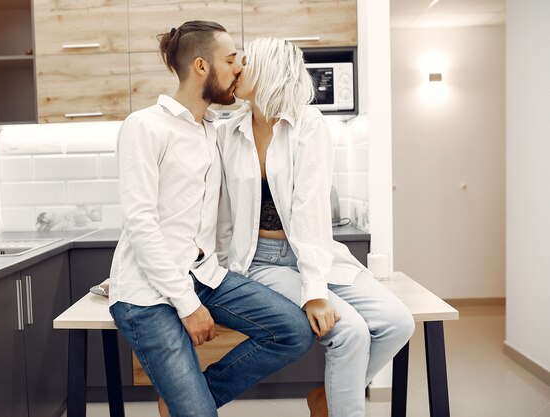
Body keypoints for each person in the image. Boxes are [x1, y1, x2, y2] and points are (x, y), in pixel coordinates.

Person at [108, 22, 314, 417]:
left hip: (204, 277)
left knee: (293, 330)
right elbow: (141, 224)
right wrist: (186, 305)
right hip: (147, 296)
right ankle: (193, 405)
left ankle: (190, 399)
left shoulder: (214, 131)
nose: (239, 68)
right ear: (202, 66)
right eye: (231, 60)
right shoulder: (145, 126)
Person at [216, 37, 415, 417]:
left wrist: (315, 290)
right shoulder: (226, 132)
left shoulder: (309, 126)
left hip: (312, 254)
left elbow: (310, 210)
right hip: (260, 261)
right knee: (350, 332)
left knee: (397, 322)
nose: (236, 69)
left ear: (269, 71)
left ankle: (327, 397)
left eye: (245, 63)